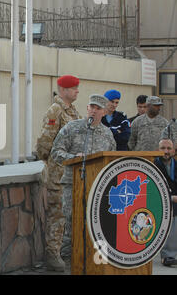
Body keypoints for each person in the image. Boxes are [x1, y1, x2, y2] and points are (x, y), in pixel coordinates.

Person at [51, 94, 116, 260]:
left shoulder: (107, 134)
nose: (93, 111)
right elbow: (56, 152)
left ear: (104, 113)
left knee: (95, 224)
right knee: (71, 223)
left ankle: (91, 261)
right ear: (87, 108)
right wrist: (74, 158)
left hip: (97, 187)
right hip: (73, 184)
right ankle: (68, 262)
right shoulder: (72, 128)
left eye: (98, 108)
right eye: (91, 107)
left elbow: (112, 160)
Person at [35, 75, 81, 271]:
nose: (77, 91)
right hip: (57, 174)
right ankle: (52, 253)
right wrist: (50, 162)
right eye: (74, 88)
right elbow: (45, 142)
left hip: (70, 173)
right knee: (57, 214)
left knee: (68, 215)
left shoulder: (71, 111)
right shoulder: (56, 110)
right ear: (63, 90)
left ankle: (64, 250)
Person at [154, 138, 177, 267]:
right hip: (157, 200)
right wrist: (171, 198)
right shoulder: (153, 165)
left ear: (173, 150)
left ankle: (169, 255)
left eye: (169, 148)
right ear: (158, 150)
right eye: (163, 148)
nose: (166, 151)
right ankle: (168, 255)